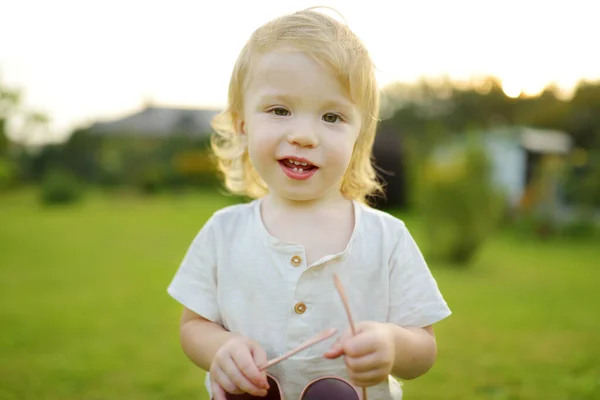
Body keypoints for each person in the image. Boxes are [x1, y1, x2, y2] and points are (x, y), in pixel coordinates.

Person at [167, 7, 451, 400]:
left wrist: (392, 344)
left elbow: (424, 348)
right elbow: (193, 327)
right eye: (279, 110)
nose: (303, 135)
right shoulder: (224, 232)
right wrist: (220, 349)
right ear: (242, 124)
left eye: (332, 117)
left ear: (358, 135)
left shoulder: (387, 237)